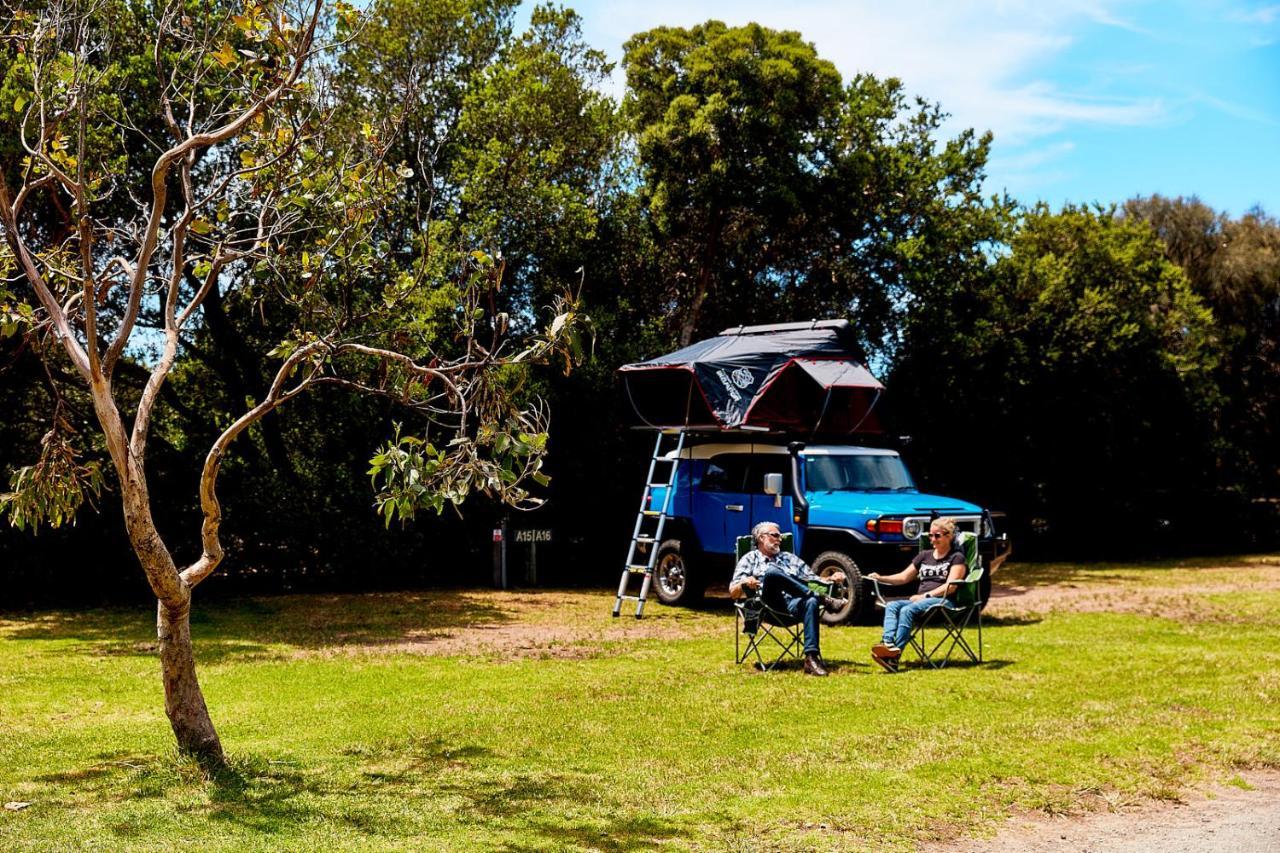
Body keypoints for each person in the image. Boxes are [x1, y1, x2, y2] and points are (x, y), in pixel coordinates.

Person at [730, 521, 847, 676]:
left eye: (780, 536)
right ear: (761, 538)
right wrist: (745, 582)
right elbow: (733, 592)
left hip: (793, 604)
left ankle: (811, 659)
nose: (779, 539)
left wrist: (831, 579)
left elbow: (811, 580)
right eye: (775, 535)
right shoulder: (749, 559)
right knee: (772, 573)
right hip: (769, 605)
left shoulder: (789, 558)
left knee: (811, 601)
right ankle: (821, 598)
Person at [866, 517, 967, 672]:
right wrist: (880, 577)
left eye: (937, 536)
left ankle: (893, 657)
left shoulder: (956, 557)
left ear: (949, 536)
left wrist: (925, 596)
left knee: (907, 610)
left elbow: (951, 586)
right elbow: (903, 577)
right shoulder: (924, 555)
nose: (933, 539)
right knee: (892, 605)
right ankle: (887, 645)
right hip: (920, 603)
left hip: (943, 602)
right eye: (930, 536)